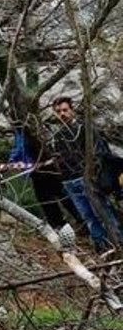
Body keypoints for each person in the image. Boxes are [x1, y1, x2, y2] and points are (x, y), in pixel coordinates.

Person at [48, 96, 120, 251]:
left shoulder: (84, 129)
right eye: (58, 111)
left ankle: (118, 242)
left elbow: (98, 152)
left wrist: (91, 173)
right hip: (69, 181)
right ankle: (103, 247)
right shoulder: (56, 136)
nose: (62, 114)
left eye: (65, 110)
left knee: (103, 212)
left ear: (72, 110)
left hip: (86, 178)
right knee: (87, 217)